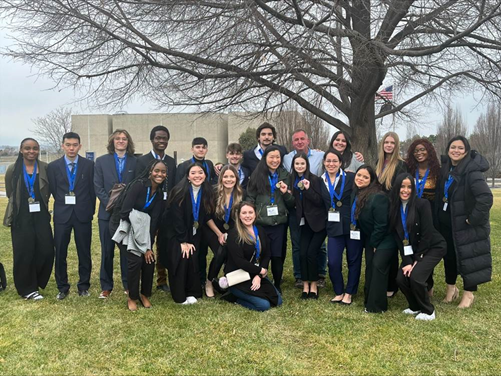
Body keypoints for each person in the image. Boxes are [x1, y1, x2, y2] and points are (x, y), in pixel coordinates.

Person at [435, 136, 493, 309]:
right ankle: (451, 289)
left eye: (460, 148)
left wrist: (473, 219)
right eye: (453, 147)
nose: (456, 151)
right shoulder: (446, 168)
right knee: (450, 257)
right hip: (448, 224)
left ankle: (469, 294)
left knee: (469, 257)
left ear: (466, 151)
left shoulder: (472, 171)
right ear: (448, 150)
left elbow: (485, 197)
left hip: (466, 225)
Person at [389, 173, 446, 321]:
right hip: (411, 248)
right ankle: (414, 306)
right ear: (397, 188)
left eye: (409, 187)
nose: (405, 190)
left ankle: (428, 311)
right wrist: (407, 261)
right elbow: (399, 238)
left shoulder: (422, 204)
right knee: (401, 278)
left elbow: (427, 234)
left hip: (432, 247)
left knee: (416, 277)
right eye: (402, 186)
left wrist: (417, 260)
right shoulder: (394, 207)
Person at [113, 160, 167, 311]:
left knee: (149, 260)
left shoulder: (159, 194)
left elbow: (154, 222)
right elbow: (124, 211)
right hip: (125, 228)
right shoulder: (139, 186)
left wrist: (148, 246)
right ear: (150, 171)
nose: (159, 174)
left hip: (142, 231)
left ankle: (145, 294)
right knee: (135, 261)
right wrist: (142, 220)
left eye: (163, 172)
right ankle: (132, 297)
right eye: (157, 170)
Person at [48, 132, 96, 300]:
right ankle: (62, 287)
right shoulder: (53, 167)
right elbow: (54, 190)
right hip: (62, 216)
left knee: (84, 252)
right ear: (63, 146)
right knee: (60, 252)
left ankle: (83, 286)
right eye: (68, 144)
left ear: (80, 146)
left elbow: (92, 191)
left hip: (83, 215)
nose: (71, 148)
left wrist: (89, 211)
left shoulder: (89, 165)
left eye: (75, 145)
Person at [5, 138, 54, 300]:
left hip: (41, 215)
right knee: (24, 252)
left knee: (46, 250)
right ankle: (27, 289)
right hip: (21, 216)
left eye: (34, 148)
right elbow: (10, 192)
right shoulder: (13, 169)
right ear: (21, 150)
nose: (31, 151)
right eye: (27, 148)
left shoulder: (45, 168)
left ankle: (37, 280)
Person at [161, 163, 215, 304]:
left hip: (194, 231)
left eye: (200, 172)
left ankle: (192, 291)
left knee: (194, 258)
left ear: (205, 175)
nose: (197, 175)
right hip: (175, 233)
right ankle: (179, 295)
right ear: (188, 176)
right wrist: (183, 241)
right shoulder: (179, 191)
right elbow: (176, 218)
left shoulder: (207, 191)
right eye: (193, 173)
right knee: (182, 257)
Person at [94, 129, 137, 299]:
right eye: (117, 138)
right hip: (107, 213)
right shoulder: (101, 161)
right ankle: (106, 286)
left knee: (126, 249)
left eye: (124, 138)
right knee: (107, 250)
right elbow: (98, 186)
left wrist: (124, 207)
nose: (121, 141)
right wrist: (111, 205)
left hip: (127, 214)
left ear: (128, 142)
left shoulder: (135, 161)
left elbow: (137, 185)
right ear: (112, 141)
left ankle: (128, 284)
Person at [135, 125, 177, 294]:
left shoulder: (172, 162)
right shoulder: (142, 161)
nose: (161, 141)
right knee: (145, 245)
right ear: (152, 140)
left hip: (166, 212)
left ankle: (162, 280)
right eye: (158, 138)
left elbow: (174, 186)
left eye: (164, 138)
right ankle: (142, 280)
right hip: (148, 212)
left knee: (163, 245)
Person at [247, 146, 294, 293]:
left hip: (279, 222)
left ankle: (277, 283)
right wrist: (252, 214)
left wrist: (286, 193)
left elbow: (292, 202)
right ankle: (259, 279)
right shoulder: (256, 175)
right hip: (261, 222)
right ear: (265, 158)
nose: (275, 160)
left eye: (277, 157)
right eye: (271, 157)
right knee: (261, 253)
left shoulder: (285, 175)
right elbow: (250, 198)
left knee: (277, 255)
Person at [283, 129, 327, 288]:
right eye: (296, 139)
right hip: (297, 215)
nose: (300, 142)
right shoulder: (287, 163)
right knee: (297, 245)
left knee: (318, 246)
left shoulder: (319, 159)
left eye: (303, 138)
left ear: (308, 140)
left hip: (313, 214)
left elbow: (335, 159)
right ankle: (300, 276)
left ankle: (320, 274)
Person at [352, 165, 396, 313]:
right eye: (359, 175)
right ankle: (368, 301)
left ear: (372, 180)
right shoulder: (358, 194)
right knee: (370, 267)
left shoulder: (378, 197)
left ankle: (377, 307)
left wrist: (375, 243)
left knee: (377, 267)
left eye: (365, 177)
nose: (361, 179)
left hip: (385, 239)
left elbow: (382, 224)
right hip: (372, 239)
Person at [320, 150, 361, 306]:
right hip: (333, 227)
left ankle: (349, 292)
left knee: (353, 260)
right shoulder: (320, 181)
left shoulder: (350, 178)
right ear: (324, 162)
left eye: (335, 161)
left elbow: (366, 182)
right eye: (328, 161)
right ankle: (339, 291)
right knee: (334, 262)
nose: (331, 164)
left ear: (340, 163)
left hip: (352, 226)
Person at [224, 201, 282, 312]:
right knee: (263, 306)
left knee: (277, 301)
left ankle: (253, 290)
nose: (247, 216)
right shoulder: (234, 234)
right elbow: (239, 261)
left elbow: (267, 254)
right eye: (244, 213)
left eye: (250, 212)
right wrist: (260, 271)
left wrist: (259, 276)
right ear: (239, 216)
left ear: (255, 214)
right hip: (239, 276)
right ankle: (234, 297)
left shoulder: (260, 230)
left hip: (256, 273)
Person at [405, 138, 441, 296]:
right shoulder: (409, 170)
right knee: (413, 247)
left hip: (431, 216)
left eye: (422, 150)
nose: (419, 153)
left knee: (426, 250)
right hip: (412, 215)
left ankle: (428, 286)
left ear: (429, 151)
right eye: (416, 151)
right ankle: (414, 281)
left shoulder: (437, 171)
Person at [203, 165, 245, 297]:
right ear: (221, 178)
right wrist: (219, 234)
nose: (228, 179)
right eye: (225, 176)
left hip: (232, 231)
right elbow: (207, 217)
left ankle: (228, 281)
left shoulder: (241, 194)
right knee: (221, 251)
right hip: (212, 229)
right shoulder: (213, 193)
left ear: (236, 178)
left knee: (231, 250)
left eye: (231, 176)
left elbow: (241, 218)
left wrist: (230, 235)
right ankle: (209, 281)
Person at [290, 153, 327, 299]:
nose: (299, 166)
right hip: (303, 223)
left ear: (307, 165)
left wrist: (308, 189)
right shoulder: (291, 180)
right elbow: (291, 203)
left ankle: (314, 285)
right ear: (293, 165)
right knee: (303, 253)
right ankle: (305, 285)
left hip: (318, 223)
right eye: (297, 164)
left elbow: (319, 201)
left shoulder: (315, 180)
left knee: (312, 253)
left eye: (302, 164)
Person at [375, 131, 407, 298]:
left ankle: (392, 285)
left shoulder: (401, 165)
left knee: (392, 249)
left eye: (392, 143)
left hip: (392, 212)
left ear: (396, 145)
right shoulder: (378, 163)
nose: (389, 145)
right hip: (378, 212)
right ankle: (381, 280)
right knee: (380, 248)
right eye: (386, 142)